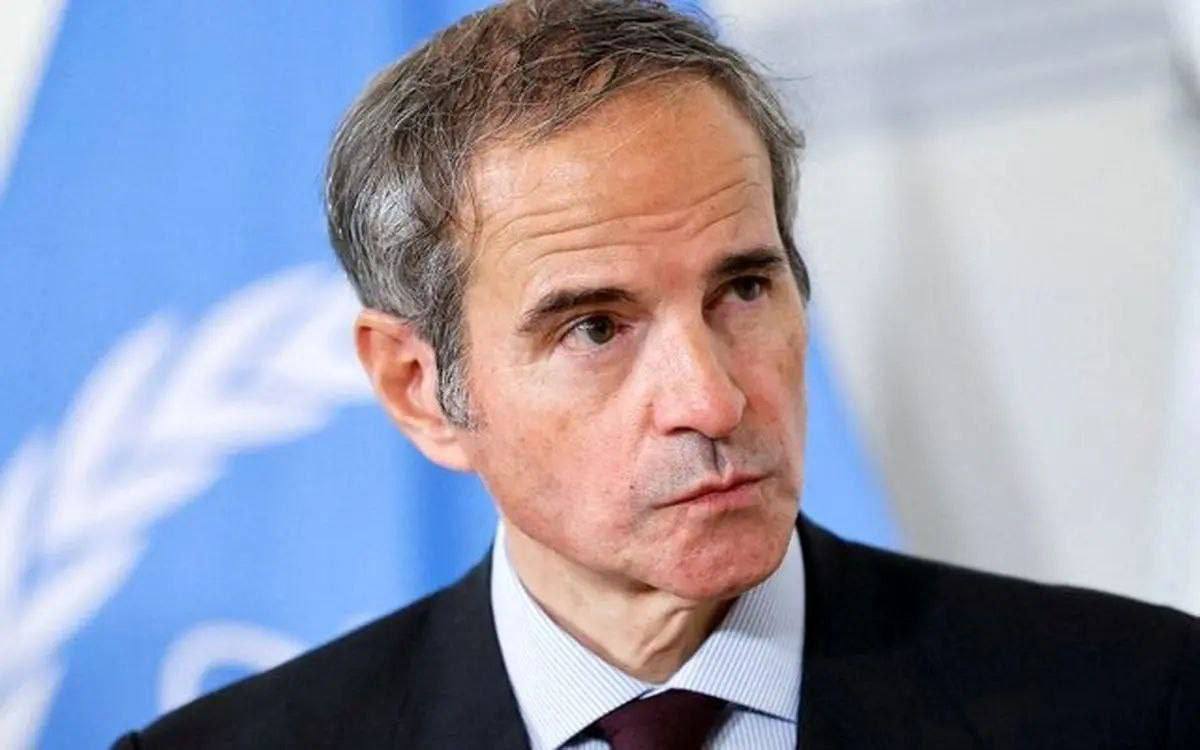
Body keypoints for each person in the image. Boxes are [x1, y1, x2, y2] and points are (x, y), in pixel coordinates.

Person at [113, 1, 1199, 747]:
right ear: (417, 386)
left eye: (744, 289)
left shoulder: (1136, 705)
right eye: (595, 327)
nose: (713, 400)